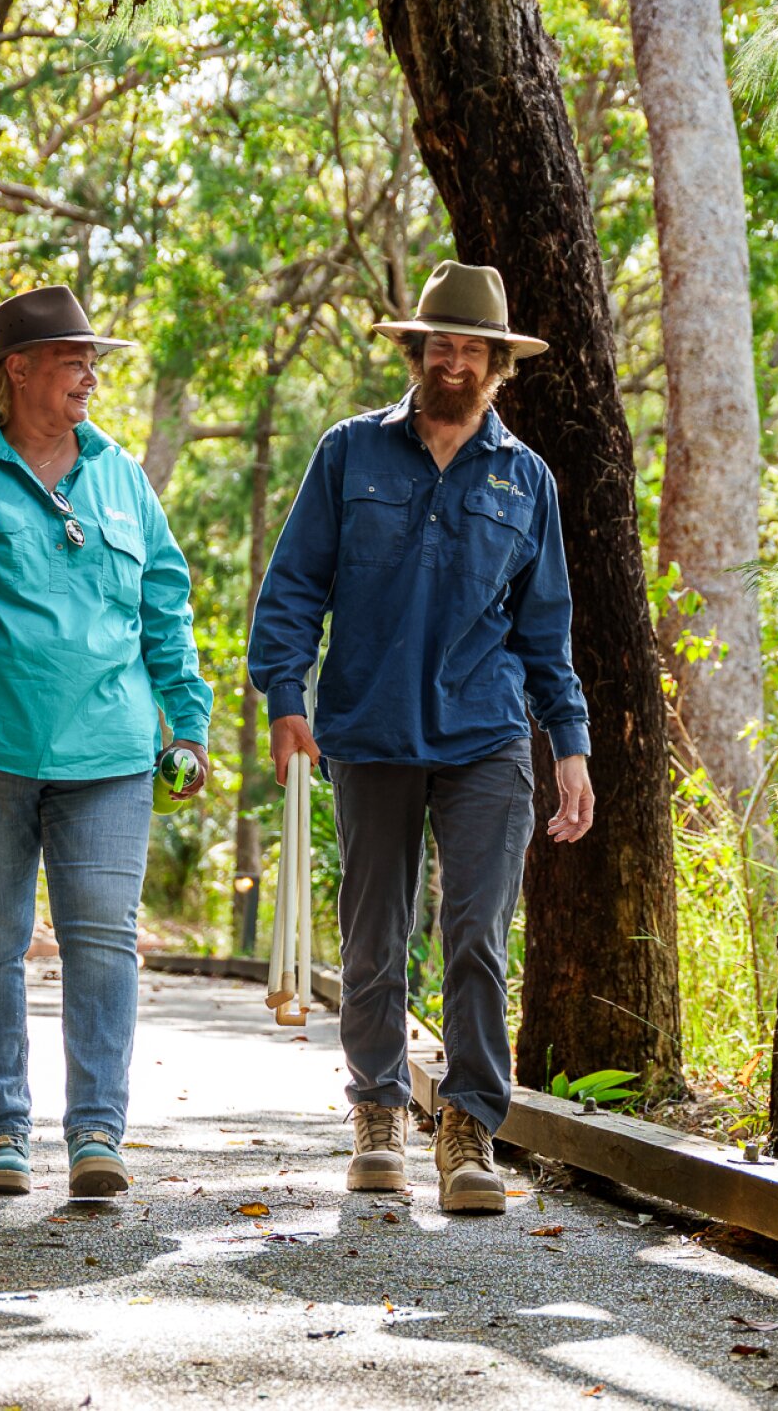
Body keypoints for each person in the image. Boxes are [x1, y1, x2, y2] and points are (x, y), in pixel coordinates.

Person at [247, 261, 593, 1216]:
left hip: (488, 735)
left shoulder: (527, 480)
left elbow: (546, 628)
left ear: (495, 362)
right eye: (439, 341)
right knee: (375, 937)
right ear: (416, 350)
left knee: (478, 933)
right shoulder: (350, 455)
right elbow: (293, 589)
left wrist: (571, 746)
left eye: (472, 345)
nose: (454, 358)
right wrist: (287, 700)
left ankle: (471, 1127)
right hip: (368, 730)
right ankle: (378, 1110)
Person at [0, 285, 213, 1199]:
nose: (90, 374)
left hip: (110, 754)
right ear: (18, 370)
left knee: (103, 942)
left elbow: (165, 607)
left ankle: (97, 1134)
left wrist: (190, 719)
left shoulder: (123, 478)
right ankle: (1, 1136)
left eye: (91, 360)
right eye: (72, 360)